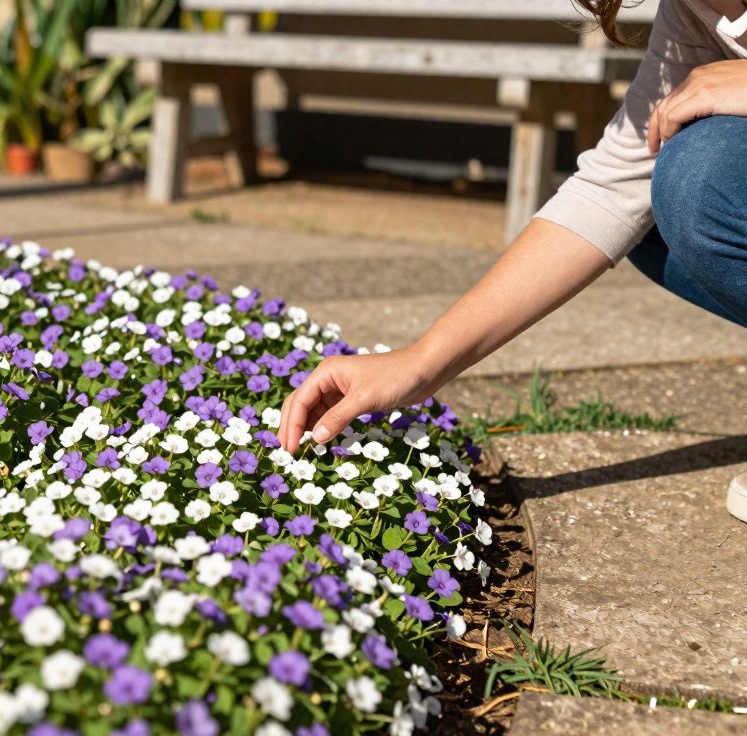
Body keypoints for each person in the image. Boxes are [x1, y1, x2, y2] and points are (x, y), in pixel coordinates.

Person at [275, 0, 747, 524]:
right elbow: (612, 191)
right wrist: (421, 363)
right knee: (654, 205)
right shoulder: (693, 10)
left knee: (700, 180)